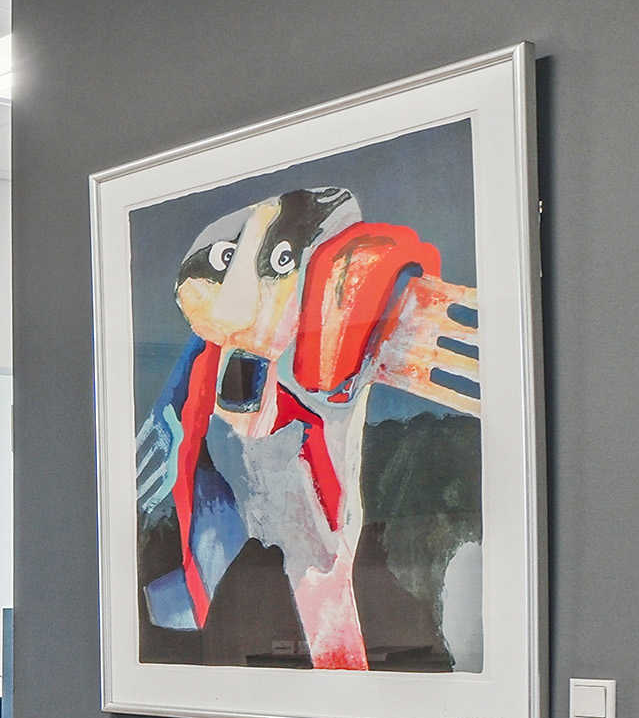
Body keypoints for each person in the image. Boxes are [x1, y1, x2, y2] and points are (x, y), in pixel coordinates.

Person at [133, 184, 481, 670]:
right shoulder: (211, 377)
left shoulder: (350, 310)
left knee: (324, 570)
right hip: (274, 544)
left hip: (336, 534)